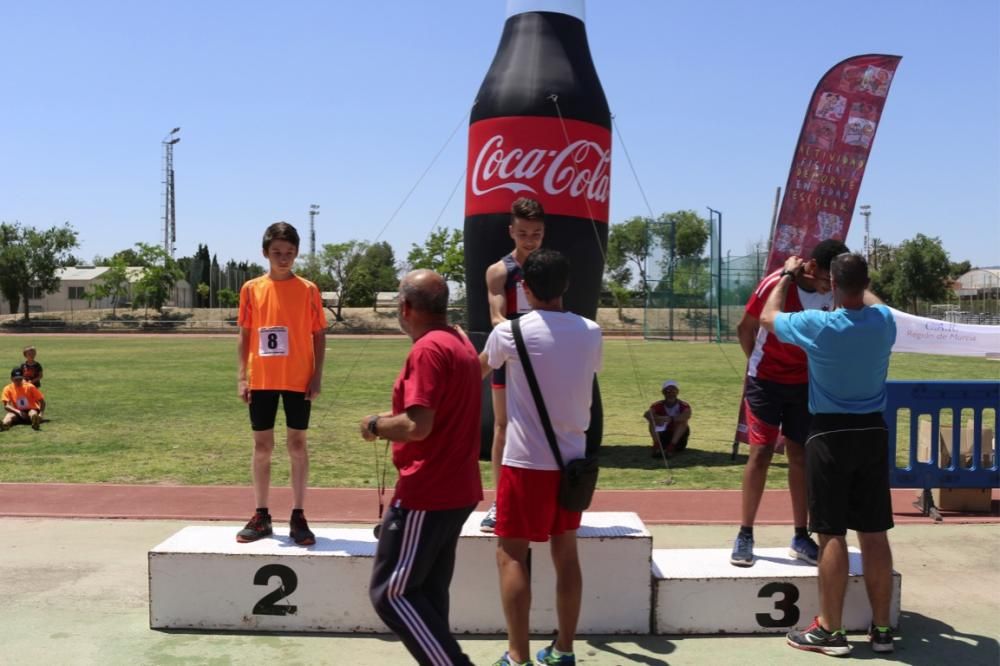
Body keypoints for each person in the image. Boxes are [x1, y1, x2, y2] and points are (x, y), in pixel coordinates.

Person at [760, 253, 897, 656]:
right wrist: (850, 281)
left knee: (831, 533)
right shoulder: (884, 321)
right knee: (874, 534)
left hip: (830, 433)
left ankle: (830, 632)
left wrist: (786, 277)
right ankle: (883, 630)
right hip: (873, 432)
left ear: (832, 286)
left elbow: (768, 318)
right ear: (866, 281)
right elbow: (869, 299)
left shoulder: (818, 325)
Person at [482, 249, 602, 666]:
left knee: (512, 553)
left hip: (525, 463)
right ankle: (564, 650)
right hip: (573, 464)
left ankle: (518, 656)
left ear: (524, 288)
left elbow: (477, 371)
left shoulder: (509, 333)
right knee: (565, 553)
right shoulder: (591, 331)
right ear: (566, 286)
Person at [361, 269, 482, 666]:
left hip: (428, 489)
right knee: (427, 592)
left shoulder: (428, 350)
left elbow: (417, 425)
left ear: (406, 307)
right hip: (456, 488)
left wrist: (376, 425)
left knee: (392, 592)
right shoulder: (459, 344)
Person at [731, 239, 848, 568]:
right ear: (810, 267)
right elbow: (745, 328)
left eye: (835, 281)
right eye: (827, 279)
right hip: (764, 381)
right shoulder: (775, 282)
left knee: (800, 455)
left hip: (804, 385)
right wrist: (756, 362)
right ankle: (745, 534)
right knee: (761, 453)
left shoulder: (834, 293)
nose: (830, 286)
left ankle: (800, 535)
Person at [236, 221, 326, 545]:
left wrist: (316, 375)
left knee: (297, 446)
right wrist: (242, 376)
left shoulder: (309, 290)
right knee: (263, 447)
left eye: (289, 252)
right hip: (262, 379)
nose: (283, 257)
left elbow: (319, 334)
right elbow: (245, 334)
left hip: (298, 378)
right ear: (265, 253)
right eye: (277, 252)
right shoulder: (251, 289)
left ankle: (299, 515)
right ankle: (261, 515)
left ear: (297, 253)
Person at [481, 197, 545, 533]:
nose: (530, 239)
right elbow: (496, 317)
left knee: (546, 428)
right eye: (523, 233)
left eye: (535, 233)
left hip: (547, 361)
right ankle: (499, 502)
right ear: (511, 231)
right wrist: (525, 341)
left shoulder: (551, 266)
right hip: (511, 357)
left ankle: (544, 500)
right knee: (503, 428)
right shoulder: (499, 270)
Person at [643, 380, 692, 458]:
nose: (671, 393)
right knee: (652, 421)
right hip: (663, 434)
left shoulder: (683, 405)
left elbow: (687, 415)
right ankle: (657, 445)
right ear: (663, 392)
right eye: (668, 391)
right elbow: (647, 414)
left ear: (677, 392)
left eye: (673, 391)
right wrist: (658, 418)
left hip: (678, 436)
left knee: (683, 422)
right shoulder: (658, 404)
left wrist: (671, 419)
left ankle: (671, 447)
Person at [2, 367, 45, 431]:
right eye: (16, 379)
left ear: (23, 378)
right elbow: (6, 406)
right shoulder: (7, 388)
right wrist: (19, 412)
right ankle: (4, 425)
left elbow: (42, 401)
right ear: (11, 379)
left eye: (20, 379)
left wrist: (41, 414)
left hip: (31, 409)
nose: (18, 381)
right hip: (17, 411)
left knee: (32, 413)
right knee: (9, 415)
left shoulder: (30, 387)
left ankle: (35, 422)